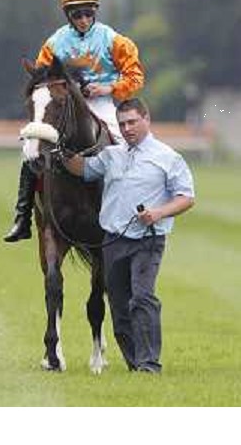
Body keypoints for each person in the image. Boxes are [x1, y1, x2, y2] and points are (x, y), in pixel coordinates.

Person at [4, 0, 145, 242]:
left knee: (127, 147)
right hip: (63, 105)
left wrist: (109, 89)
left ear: (95, 12)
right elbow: (41, 76)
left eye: (88, 13)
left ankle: (134, 211)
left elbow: (135, 77)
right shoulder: (55, 42)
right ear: (68, 15)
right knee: (33, 148)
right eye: (77, 14)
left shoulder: (113, 40)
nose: (83, 19)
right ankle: (23, 216)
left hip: (101, 103)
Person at [62, 98, 195, 373]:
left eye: (132, 122)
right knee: (119, 303)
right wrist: (59, 150)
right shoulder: (112, 155)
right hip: (112, 240)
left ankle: (149, 364)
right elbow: (83, 169)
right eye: (122, 124)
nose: (127, 128)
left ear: (147, 119)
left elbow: (186, 198)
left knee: (142, 297)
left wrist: (158, 213)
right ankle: (134, 362)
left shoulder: (168, 157)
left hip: (148, 239)